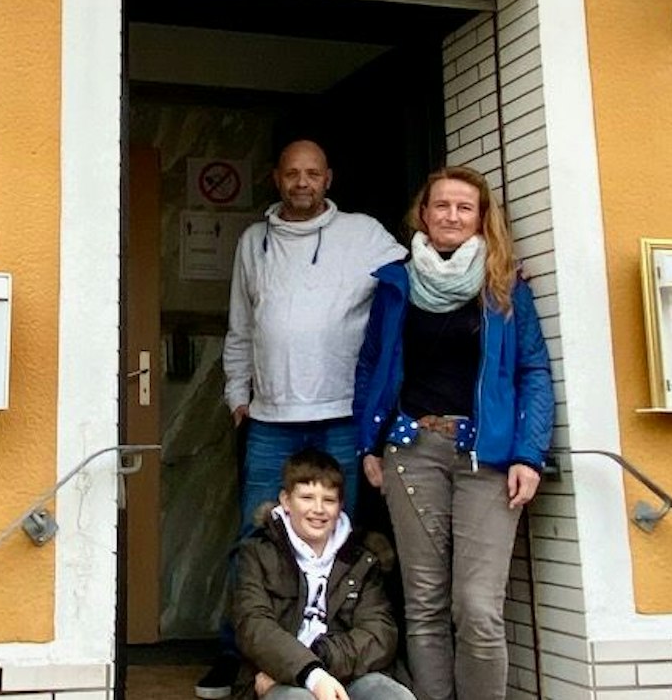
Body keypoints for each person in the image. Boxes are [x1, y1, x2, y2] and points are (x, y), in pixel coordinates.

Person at [203, 140, 405, 700]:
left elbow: (420, 276)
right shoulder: (254, 241)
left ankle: (335, 657)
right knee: (256, 538)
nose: (302, 182)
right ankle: (240, 658)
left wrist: (489, 272)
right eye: (292, 173)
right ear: (276, 178)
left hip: (343, 414)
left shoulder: (365, 234)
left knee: (340, 540)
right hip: (270, 415)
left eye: (312, 173)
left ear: (328, 178)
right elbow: (241, 325)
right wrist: (237, 393)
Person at [351, 166, 553, 700]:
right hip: (411, 450)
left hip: (487, 456)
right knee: (424, 603)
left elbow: (533, 371)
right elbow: (371, 365)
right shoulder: (396, 284)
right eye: (441, 205)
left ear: (482, 218)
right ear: (423, 214)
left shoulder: (505, 285)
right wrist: (368, 443)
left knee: (478, 607)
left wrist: (529, 454)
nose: (452, 216)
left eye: (465, 207)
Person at [230, 448, 413, 700]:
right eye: (306, 497)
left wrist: (320, 662)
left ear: (340, 506)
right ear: (286, 500)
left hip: (349, 673)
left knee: (394, 696)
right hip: (278, 675)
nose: (318, 509)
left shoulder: (363, 558)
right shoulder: (257, 553)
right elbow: (253, 626)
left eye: (328, 500)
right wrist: (307, 673)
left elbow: (379, 633)